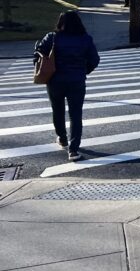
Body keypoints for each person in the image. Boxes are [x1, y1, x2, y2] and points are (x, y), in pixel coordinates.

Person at [34, 11, 100, 162]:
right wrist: (84, 70)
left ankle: (62, 138)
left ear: (61, 22)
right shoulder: (85, 39)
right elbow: (95, 59)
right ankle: (73, 150)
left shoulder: (52, 38)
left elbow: (38, 54)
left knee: (57, 111)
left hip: (55, 80)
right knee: (76, 115)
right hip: (76, 81)